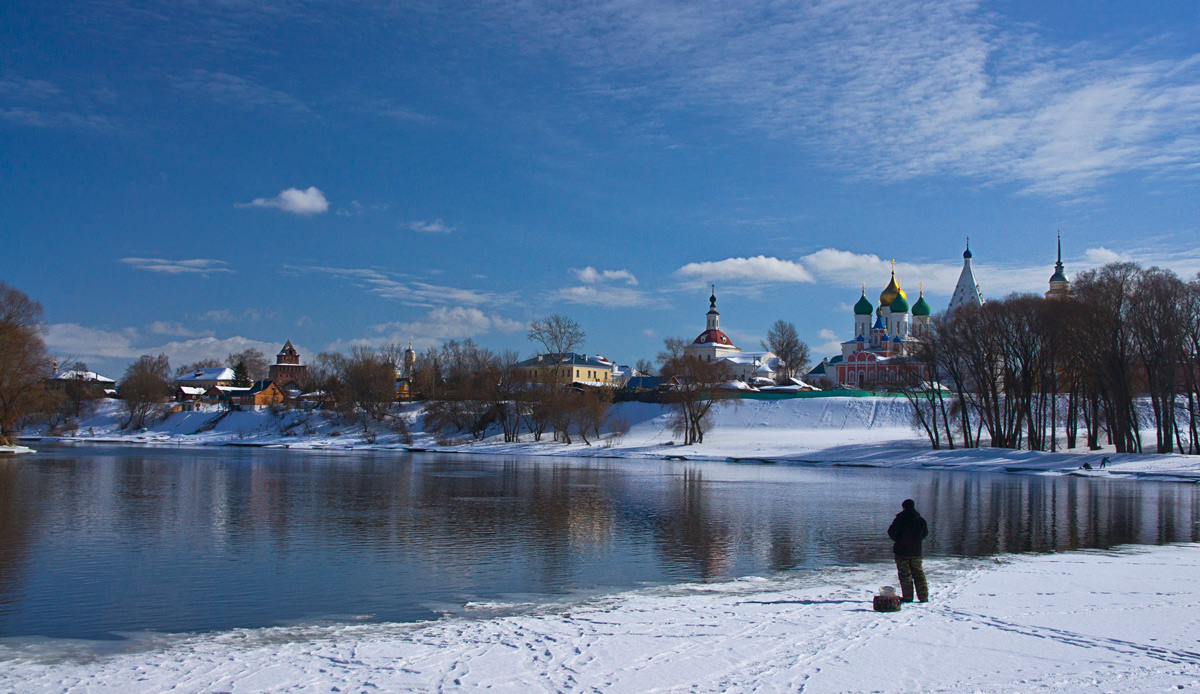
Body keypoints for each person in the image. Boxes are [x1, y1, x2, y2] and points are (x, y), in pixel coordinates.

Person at [887, 499, 929, 603]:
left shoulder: (899, 519)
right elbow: (925, 534)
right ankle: (923, 597)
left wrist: (899, 540)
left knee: (905, 575)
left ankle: (908, 597)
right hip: (916, 552)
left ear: (903, 507)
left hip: (901, 551)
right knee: (919, 574)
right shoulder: (921, 520)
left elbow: (891, 532)